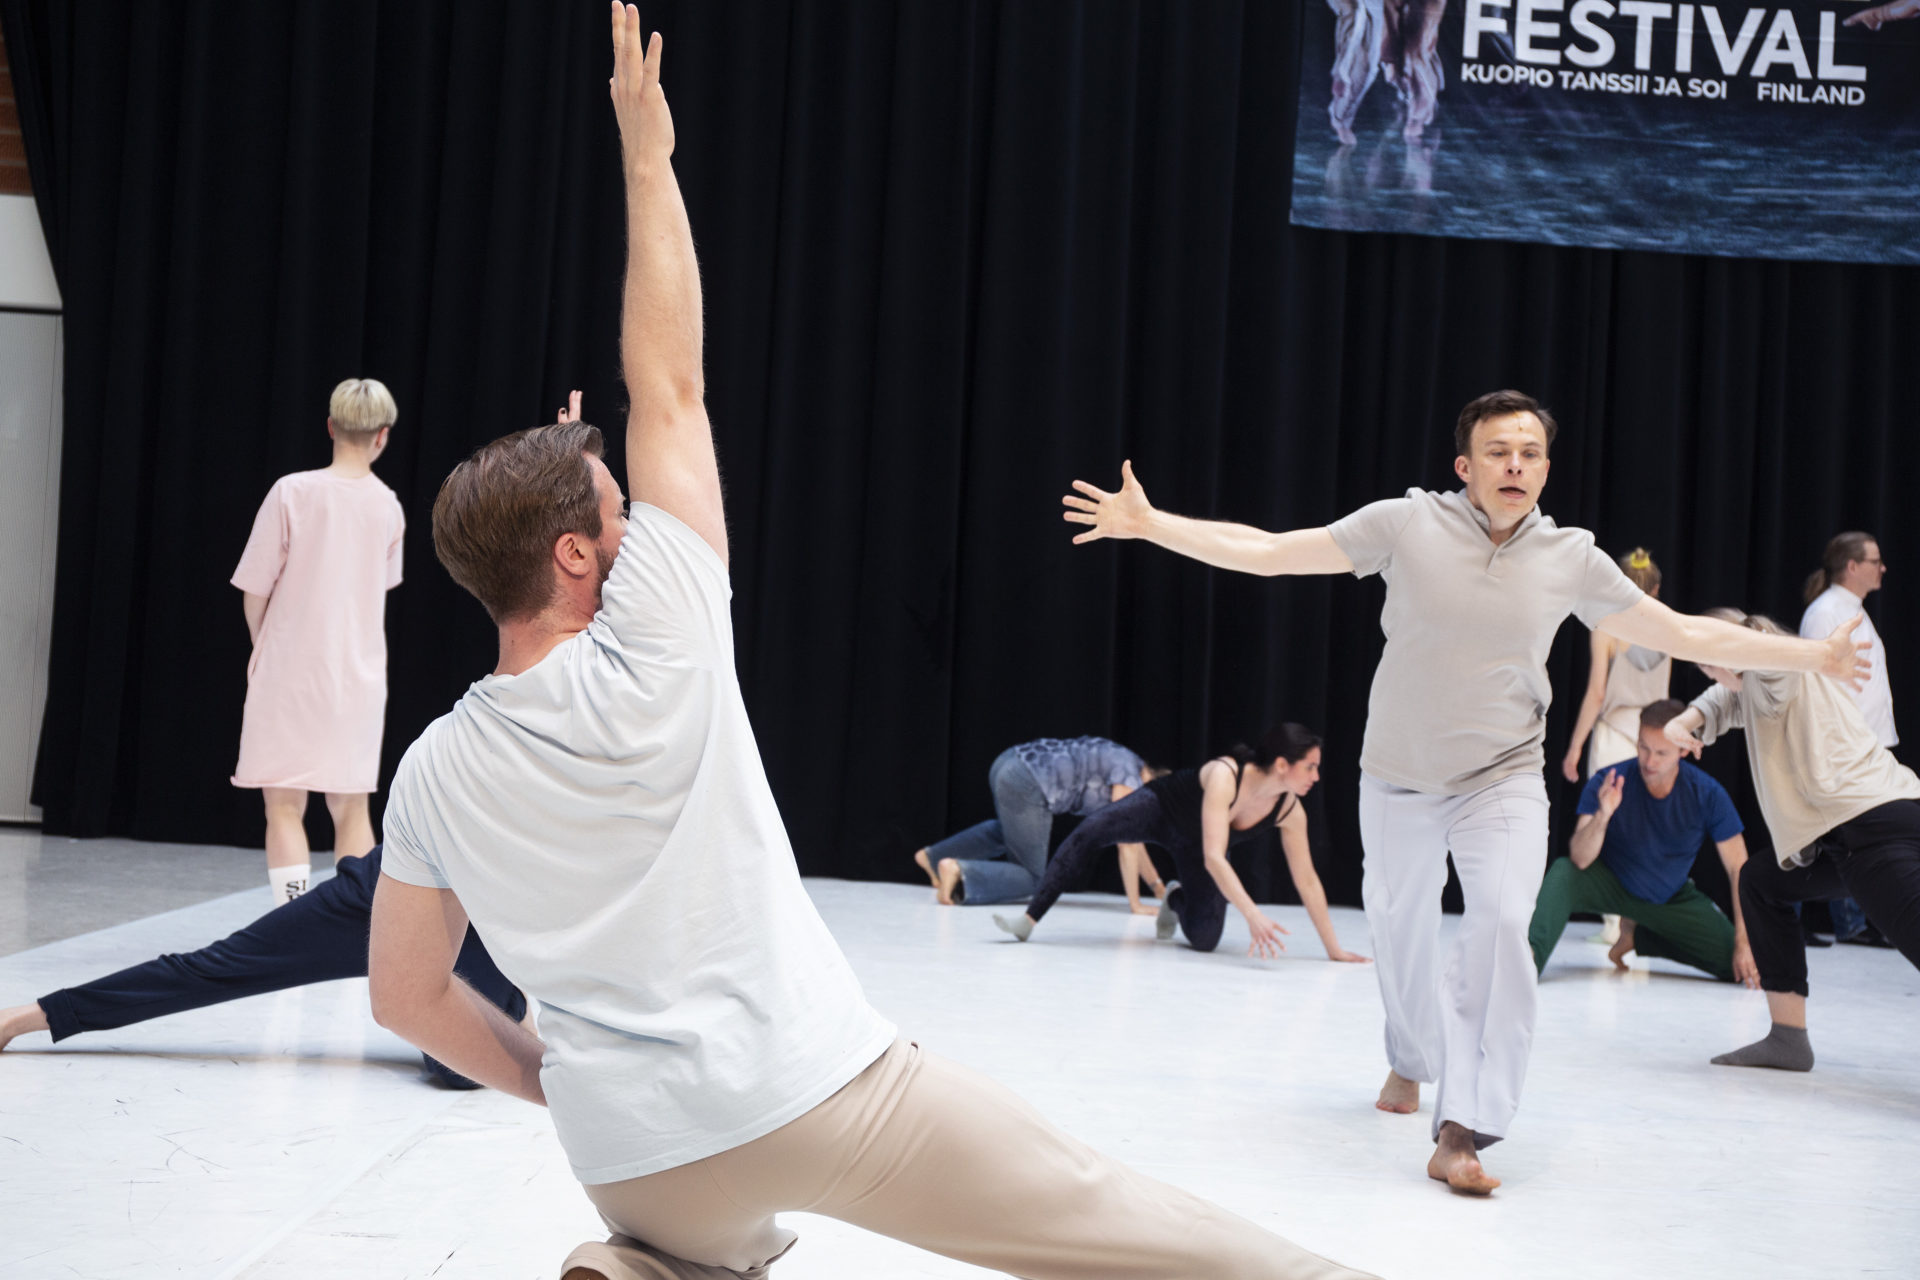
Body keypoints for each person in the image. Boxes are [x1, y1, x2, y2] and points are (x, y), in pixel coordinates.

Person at [364, 13, 1377, 1280]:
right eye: (616, 507)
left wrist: (567, 1091)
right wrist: (647, 159)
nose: (635, 514)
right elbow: (668, 382)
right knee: (1109, 1215)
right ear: (576, 556)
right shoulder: (658, 638)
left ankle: (647, 1264)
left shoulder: (432, 769)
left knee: (690, 1249)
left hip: (630, 1159)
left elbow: (405, 995)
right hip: (812, 1090)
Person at [1061, 389, 1869, 1194]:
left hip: (1503, 776)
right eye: (1497, 452)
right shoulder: (1406, 524)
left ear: (1545, 469)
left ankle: (1463, 1130)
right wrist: (1153, 524)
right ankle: (1412, 1058)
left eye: (1529, 453)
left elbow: (1686, 631)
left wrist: (1814, 657)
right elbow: (1273, 551)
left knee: (1502, 927)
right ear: (1464, 465)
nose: (1515, 465)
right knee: (1400, 930)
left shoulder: (1572, 558)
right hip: (1399, 775)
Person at [0, 845, 522, 1090]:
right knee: (216, 965)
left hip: (475, 918)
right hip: (381, 888)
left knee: (457, 1072)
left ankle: (512, 1009)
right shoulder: (460, 733)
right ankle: (25, 1017)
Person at [1663, 608, 1920, 1072]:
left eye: (1708, 661)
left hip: (1870, 825)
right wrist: (1686, 719)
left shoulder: (1776, 671)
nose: (1710, 673)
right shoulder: (1757, 684)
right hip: (1850, 832)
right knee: (1762, 882)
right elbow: (1724, 700)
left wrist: (1735, 644)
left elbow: (1759, 664)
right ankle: (1788, 1039)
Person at [232, 377, 406, 904]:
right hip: (357, 677)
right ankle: (353, 926)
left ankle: (292, 920)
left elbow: (255, 590)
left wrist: (264, 647)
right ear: (382, 435)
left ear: (331, 427)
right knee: (352, 807)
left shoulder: (292, 492)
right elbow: (377, 589)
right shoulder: (388, 507)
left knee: (284, 805)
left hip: (288, 671)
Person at [992, 726, 1370, 963]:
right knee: (1090, 831)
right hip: (1159, 810)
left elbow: (1307, 880)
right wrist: (1252, 914)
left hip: (1196, 846)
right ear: (1283, 764)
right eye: (1310, 767)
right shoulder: (1226, 774)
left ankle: (1174, 898)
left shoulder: (1290, 811)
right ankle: (1030, 919)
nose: (1316, 777)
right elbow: (1215, 857)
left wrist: (1333, 949)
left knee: (1205, 939)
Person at [1529, 700, 1757, 985]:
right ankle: (1527, 960)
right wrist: (1603, 815)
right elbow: (1579, 858)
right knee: (1564, 872)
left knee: (1738, 965)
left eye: (1661, 753)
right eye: (1644, 747)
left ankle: (1637, 937)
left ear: (1684, 749)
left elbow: (1739, 868)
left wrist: (1744, 942)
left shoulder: (1708, 793)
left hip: (1668, 896)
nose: (1649, 761)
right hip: (1611, 884)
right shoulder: (1609, 780)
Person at [1561, 548, 1671, 945]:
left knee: (1601, 823)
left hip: (1614, 735)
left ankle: (1613, 924)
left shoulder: (1607, 627)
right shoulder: (1669, 628)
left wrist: (1574, 748)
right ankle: (1636, 923)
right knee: (1646, 829)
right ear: (1655, 589)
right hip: (1658, 739)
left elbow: (1596, 694)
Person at [912, 737, 1165, 909]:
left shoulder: (1124, 758)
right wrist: (1136, 904)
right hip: (1027, 782)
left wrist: (1157, 888)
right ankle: (959, 871)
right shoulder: (1130, 776)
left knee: (1008, 833)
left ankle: (933, 858)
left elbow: (1135, 840)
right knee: (1033, 878)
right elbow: (1127, 843)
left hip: (1009, 762)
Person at [1801, 532, 1897, 946]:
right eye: (1875, 561)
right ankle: (1806, 916)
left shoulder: (1851, 610)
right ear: (1853, 566)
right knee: (1824, 834)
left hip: (1864, 745)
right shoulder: (1827, 613)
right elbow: (1815, 683)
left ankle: (1854, 922)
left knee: (1852, 836)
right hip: (1844, 746)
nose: (1883, 568)